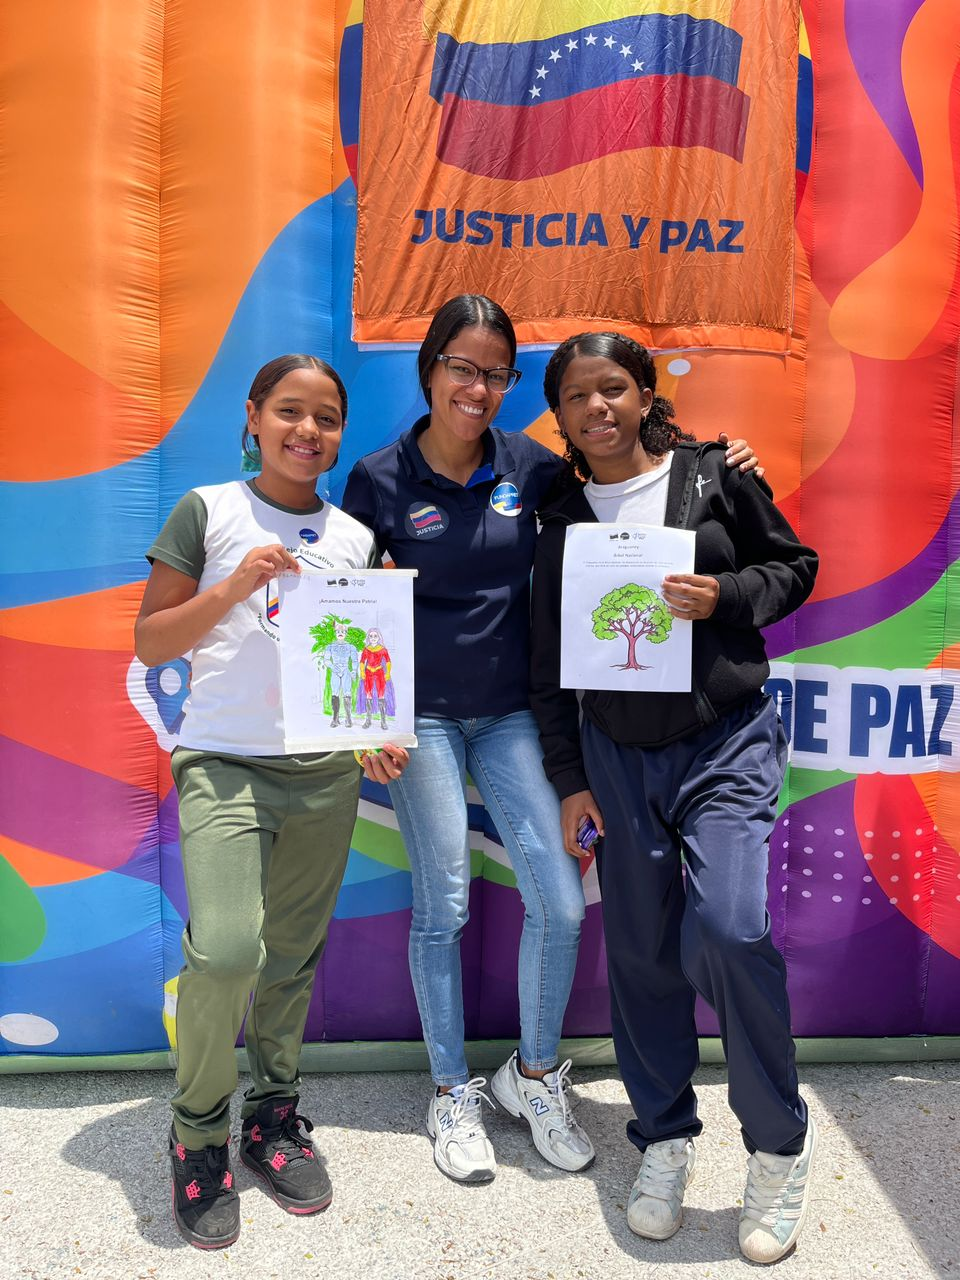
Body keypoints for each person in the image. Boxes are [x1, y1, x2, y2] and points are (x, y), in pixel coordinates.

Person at [341, 295, 761, 1185]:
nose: (478, 386)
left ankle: (532, 1076)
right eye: (463, 366)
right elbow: (343, 610)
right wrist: (365, 722)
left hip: (514, 716)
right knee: (444, 904)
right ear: (431, 370)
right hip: (417, 720)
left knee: (565, 904)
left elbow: (635, 490)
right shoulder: (378, 479)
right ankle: (451, 1090)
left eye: (495, 373)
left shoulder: (534, 470)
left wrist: (719, 460)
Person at [529, 331, 818, 1265]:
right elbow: (547, 668)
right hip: (616, 755)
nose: (597, 408)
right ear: (562, 415)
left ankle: (777, 1149)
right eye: (576, 396)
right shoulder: (560, 514)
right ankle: (662, 1141)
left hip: (724, 742)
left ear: (645, 392)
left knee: (731, 930)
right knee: (643, 954)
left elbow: (794, 569)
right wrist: (571, 779)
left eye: (613, 388)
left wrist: (724, 595)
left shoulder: (715, 475)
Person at [134, 354, 409, 1249]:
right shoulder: (207, 511)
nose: (308, 431)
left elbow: (359, 670)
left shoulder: (354, 538)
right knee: (224, 952)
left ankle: (272, 1118)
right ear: (253, 418)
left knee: (291, 955)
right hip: (222, 762)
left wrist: (379, 730)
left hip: (324, 771)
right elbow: (151, 640)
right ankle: (199, 1134)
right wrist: (235, 586)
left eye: (326, 418)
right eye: (289, 412)